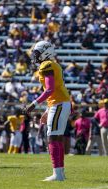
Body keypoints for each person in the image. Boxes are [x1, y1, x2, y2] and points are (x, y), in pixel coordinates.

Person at [24, 41, 71, 181]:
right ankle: (60, 172)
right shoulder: (53, 64)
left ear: (45, 52)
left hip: (59, 104)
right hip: (59, 103)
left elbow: (50, 90)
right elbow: (54, 90)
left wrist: (33, 104)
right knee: (56, 137)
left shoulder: (47, 65)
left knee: (52, 137)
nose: (35, 56)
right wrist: (47, 110)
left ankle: (57, 174)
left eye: (37, 53)